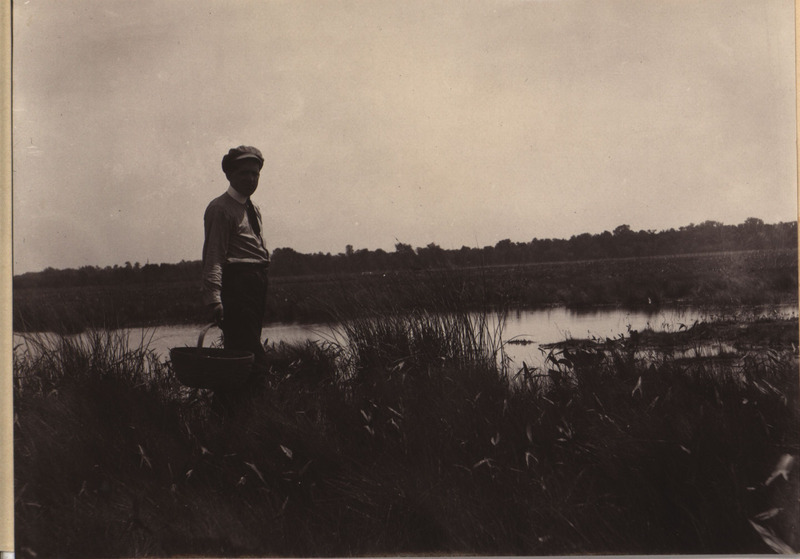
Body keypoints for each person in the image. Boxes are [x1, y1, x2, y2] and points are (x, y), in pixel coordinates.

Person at [202, 145, 270, 394]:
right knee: (250, 357)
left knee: (239, 355)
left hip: (256, 283)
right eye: (244, 173)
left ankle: (232, 415)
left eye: (255, 174)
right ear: (230, 175)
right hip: (237, 286)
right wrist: (214, 298)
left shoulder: (253, 209)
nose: (251, 179)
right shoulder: (220, 209)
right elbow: (214, 256)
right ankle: (251, 412)